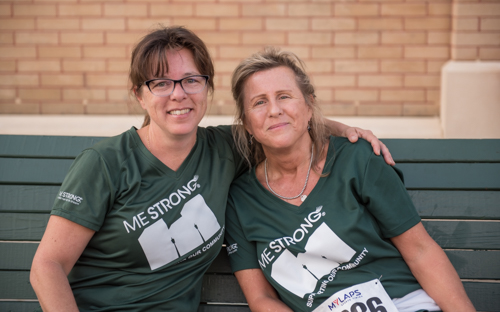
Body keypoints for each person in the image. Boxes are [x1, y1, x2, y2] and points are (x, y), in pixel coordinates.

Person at [29, 26, 392, 312]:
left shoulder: (225, 148)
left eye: (191, 80)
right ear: (139, 94)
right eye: (161, 83)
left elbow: (281, 120)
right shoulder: (106, 163)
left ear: (207, 88)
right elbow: (47, 267)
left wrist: (345, 130)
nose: (178, 94)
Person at [224, 47, 476, 312]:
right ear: (247, 123)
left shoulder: (357, 160)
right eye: (259, 102)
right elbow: (262, 299)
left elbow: (420, 251)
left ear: (309, 105)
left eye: (284, 96)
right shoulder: (241, 200)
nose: (274, 110)